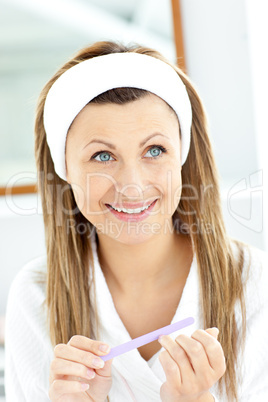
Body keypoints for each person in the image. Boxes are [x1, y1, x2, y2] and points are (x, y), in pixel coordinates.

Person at [4, 40, 268, 402]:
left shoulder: (255, 283)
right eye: (101, 155)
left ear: (182, 157)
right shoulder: (35, 297)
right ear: (65, 170)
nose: (132, 186)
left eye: (155, 150)